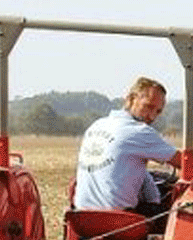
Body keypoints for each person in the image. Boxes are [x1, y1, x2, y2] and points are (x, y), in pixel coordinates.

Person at [74, 77, 182, 211]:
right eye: (148, 107)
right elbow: (186, 164)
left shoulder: (96, 126)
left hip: (81, 217)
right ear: (130, 99)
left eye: (158, 112)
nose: (152, 117)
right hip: (120, 219)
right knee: (177, 210)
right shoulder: (139, 131)